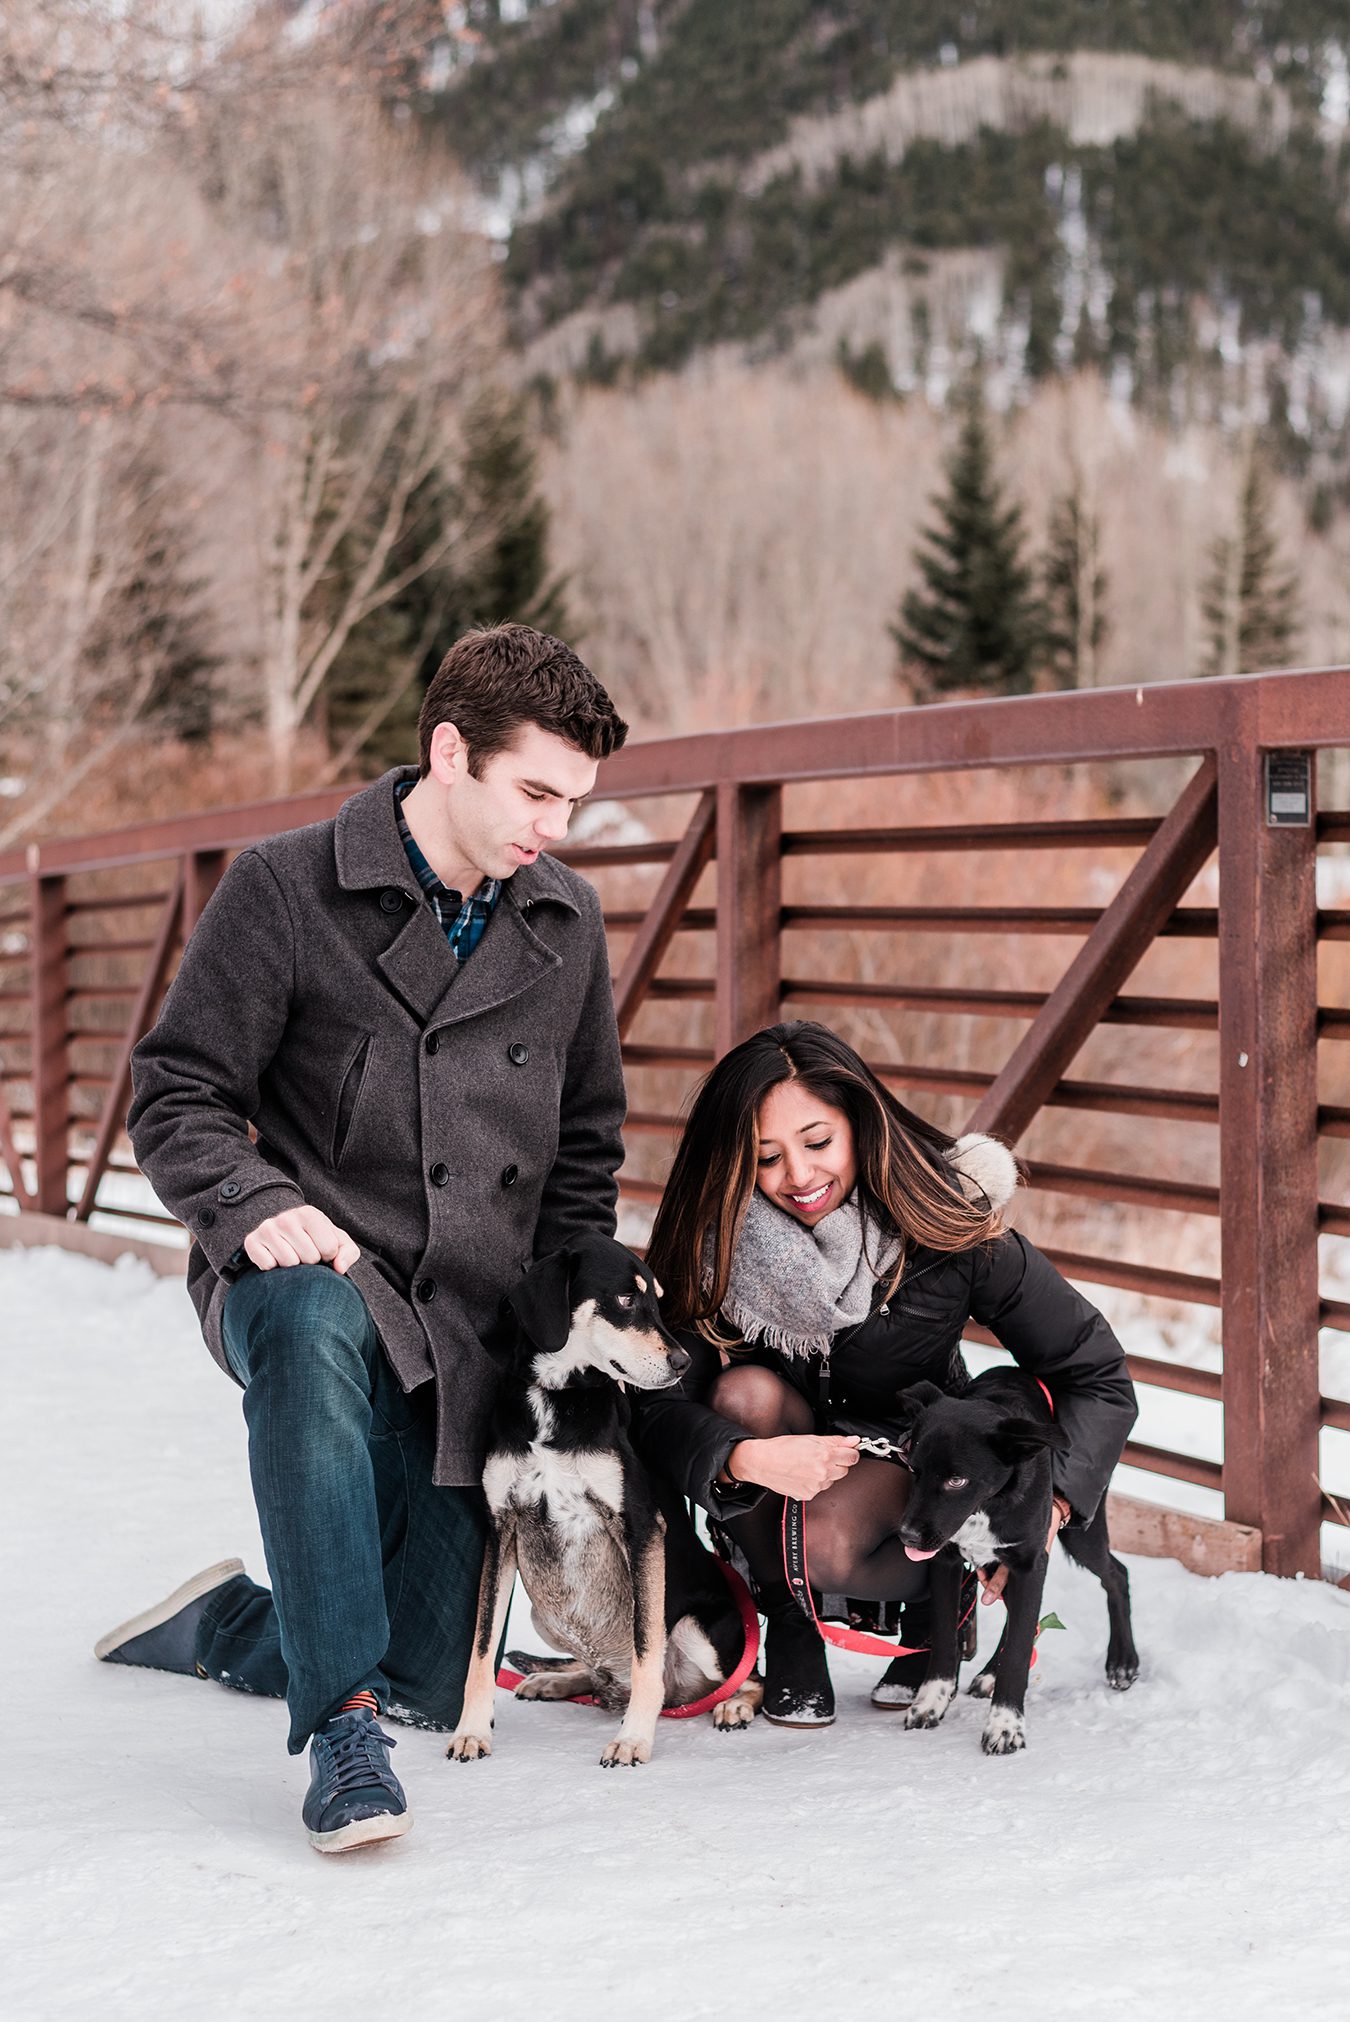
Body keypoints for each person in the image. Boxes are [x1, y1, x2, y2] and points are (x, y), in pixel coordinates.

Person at [97, 623, 629, 1851]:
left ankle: (236, 1622)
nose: (555, 824)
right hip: (310, 1275)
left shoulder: (567, 925)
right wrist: (251, 1203)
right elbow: (176, 1090)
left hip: (471, 1327)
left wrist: (564, 1343)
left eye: (575, 800)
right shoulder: (284, 888)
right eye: (535, 790)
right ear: (450, 753)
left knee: (437, 1683)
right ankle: (340, 1736)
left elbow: (586, 1153)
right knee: (308, 1310)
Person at [633, 1021, 1137, 1727]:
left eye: (817, 1143)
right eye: (765, 1157)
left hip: (907, 1459)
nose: (799, 1178)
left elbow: (1098, 1374)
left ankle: (943, 1609)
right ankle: (791, 1623)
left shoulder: (949, 1228)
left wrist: (1051, 1502)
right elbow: (654, 1406)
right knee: (741, 1392)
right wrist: (741, 1455)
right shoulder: (709, 1242)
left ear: (859, 1126)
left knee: (828, 1537)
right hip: (776, 1453)